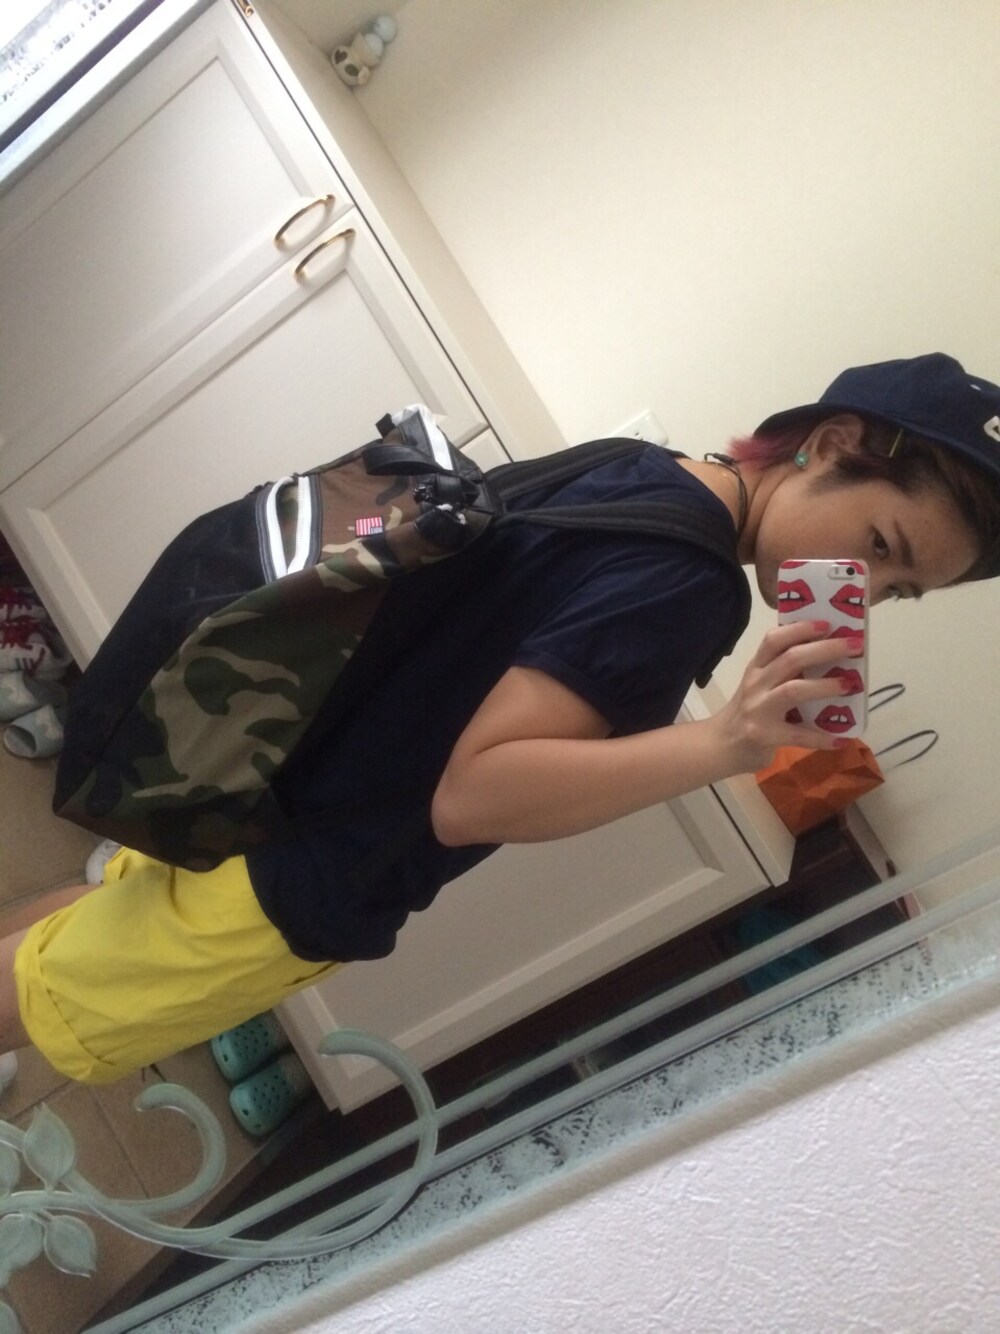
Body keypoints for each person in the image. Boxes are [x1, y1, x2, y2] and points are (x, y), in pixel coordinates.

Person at [3, 352, 1000, 1087]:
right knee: (52, 994)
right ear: (834, 444)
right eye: (881, 544)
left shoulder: (648, 470)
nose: (868, 589)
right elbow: (473, 795)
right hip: (310, 863)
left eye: (899, 587)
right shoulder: (691, 589)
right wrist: (726, 742)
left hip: (268, 765)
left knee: (80, 927)